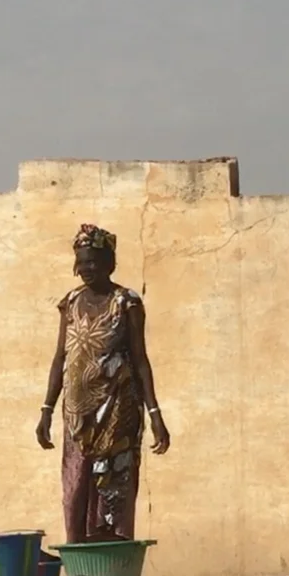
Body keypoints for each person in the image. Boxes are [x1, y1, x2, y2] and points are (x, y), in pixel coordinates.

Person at [35, 224, 170, 544]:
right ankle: (82, 566)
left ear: (110, 263)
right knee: (76, 488)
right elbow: (60, 359)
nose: (85, 269)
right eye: (81, 263)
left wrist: (154, 413)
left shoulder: (127, 302)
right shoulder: (70, 303)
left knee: (112, 488)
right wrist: (46, 410)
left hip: (117, 411)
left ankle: (110, 563)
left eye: (93, 262)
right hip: (77, 416)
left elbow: (140, 359)